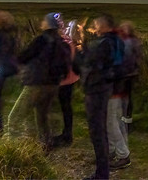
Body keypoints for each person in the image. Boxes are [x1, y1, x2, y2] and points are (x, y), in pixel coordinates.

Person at [8, 12, 68, 148]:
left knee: (14, 117)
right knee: (42, 117)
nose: (41, 22)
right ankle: (46, 146)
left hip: (37, 83)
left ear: (48, 23)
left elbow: (24, 56)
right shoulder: (61, 41)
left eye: (44, 20)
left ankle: (11, 149)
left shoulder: (41, 40)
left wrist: (13, 61)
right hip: (53, 85)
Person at [74, 14, 118, 180]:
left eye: (97, 22)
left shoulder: (104, 43)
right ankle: (102, 170)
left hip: (97, 91)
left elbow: (86, 63)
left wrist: (79, 46)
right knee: (99, 130)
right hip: (101, 89)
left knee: (97, 131)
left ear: (106, 25)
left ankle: (102, 174)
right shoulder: (107, 42)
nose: (93, 24)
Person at [107, 20, 143, 169]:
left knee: (116, 116)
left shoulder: (130, 42)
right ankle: (115, 150)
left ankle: (122, 152)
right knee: (115, 117)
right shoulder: (122, 42)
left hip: (124, 79)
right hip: (121, 80)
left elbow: (132, 59)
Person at [52, 19, 82, 148]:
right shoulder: (74, 43)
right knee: (66, 106)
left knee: (64, 107)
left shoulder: (66, 43)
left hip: (64, 80)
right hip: (71, 78)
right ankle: (67, 133)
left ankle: (66, 135)